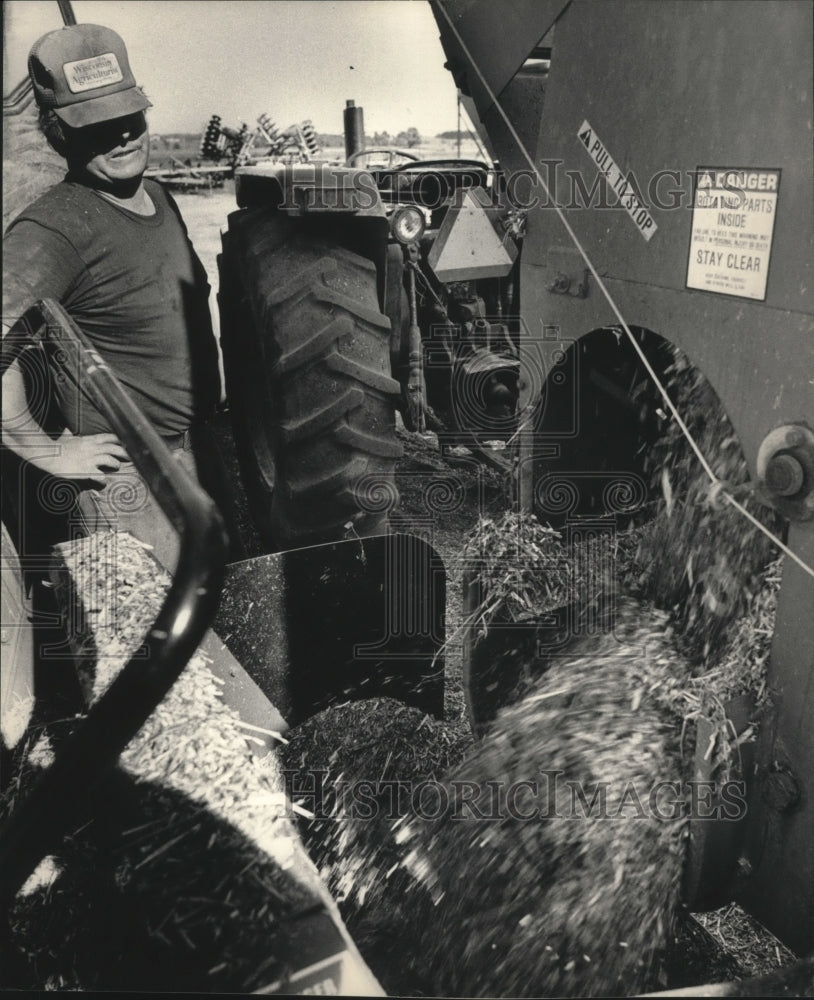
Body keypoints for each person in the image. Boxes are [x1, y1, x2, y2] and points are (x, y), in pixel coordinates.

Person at [2, 22, 242, 571]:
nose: (123, 137)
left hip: (197, 454)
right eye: (97, 126)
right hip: (130, 483)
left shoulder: (157, 195)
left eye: (129, 117)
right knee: (168, 643)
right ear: (59, 132)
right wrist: (49, 452)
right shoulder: (53, 228)